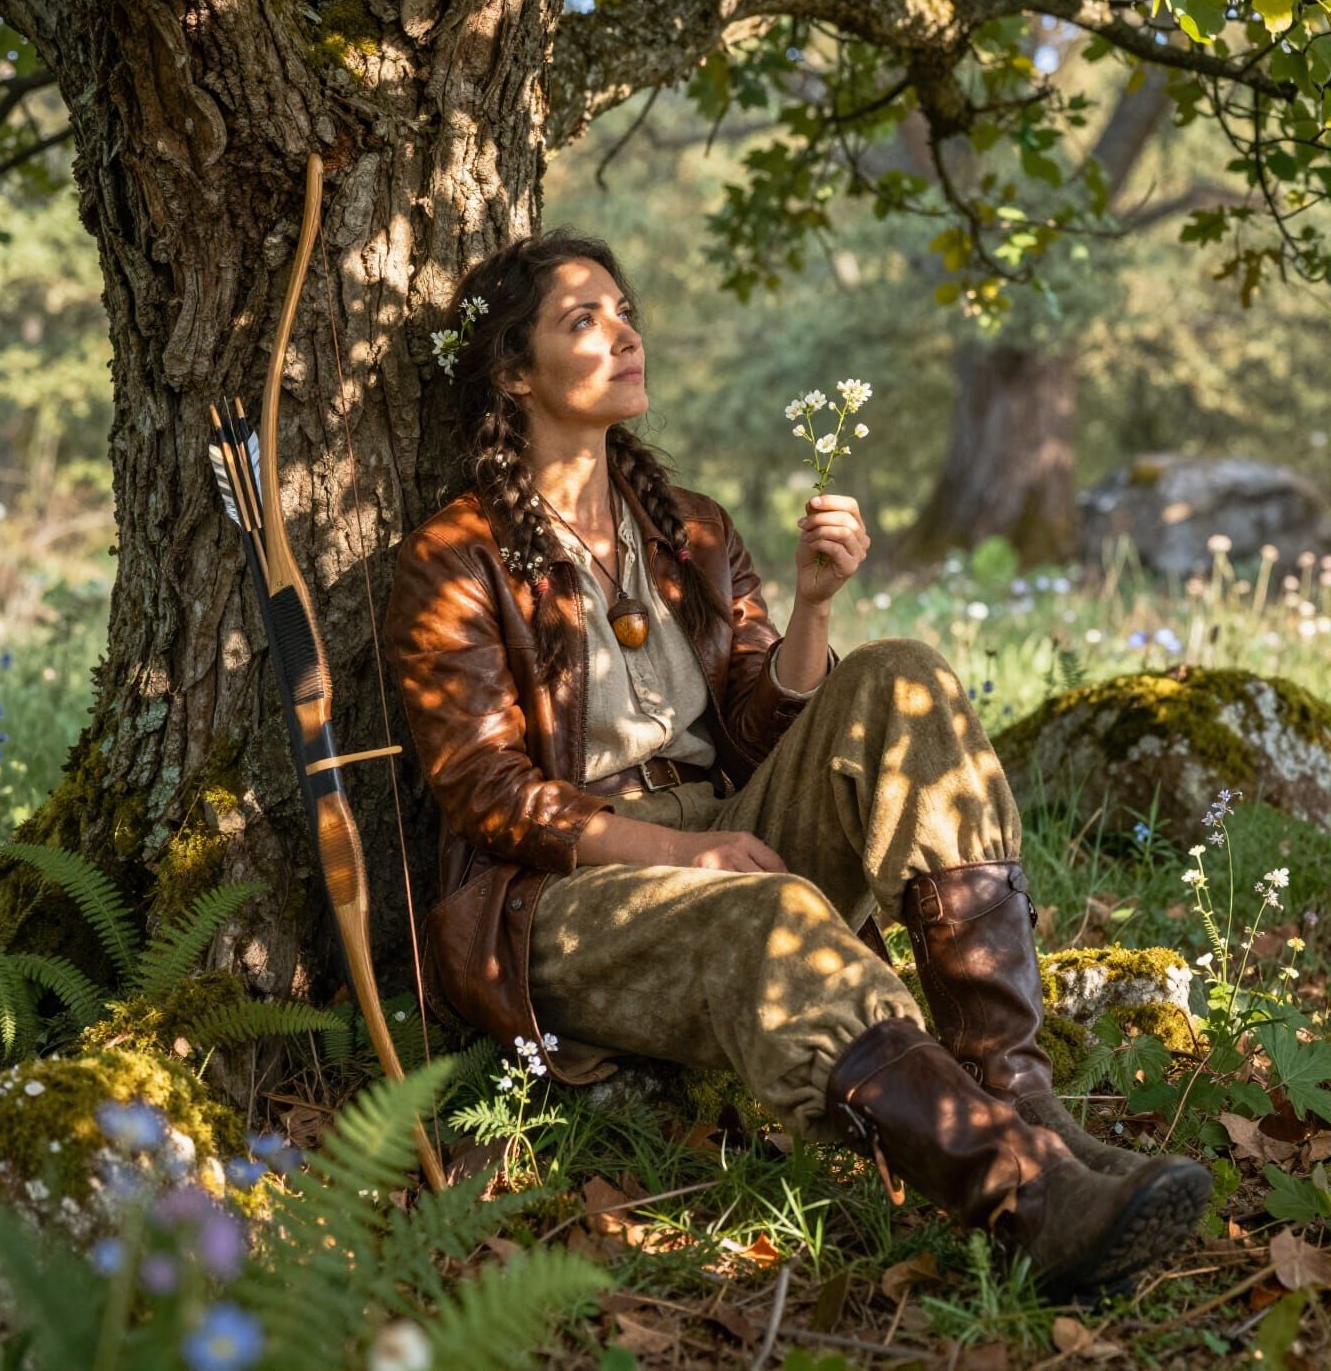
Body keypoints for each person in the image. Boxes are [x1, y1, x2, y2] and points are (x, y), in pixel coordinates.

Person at [383, 231, 1210, 1295]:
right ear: (512, 369)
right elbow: (483, 794)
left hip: (726, 824)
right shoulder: (457, 555)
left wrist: (814, 607)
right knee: (770, 917)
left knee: (901, 671)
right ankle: (1029, 1199)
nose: (624, 332)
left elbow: (750, 730)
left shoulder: (688, 530)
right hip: (563, 894)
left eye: (626, 310)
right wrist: (693, 859)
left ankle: (1022, 1095)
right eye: (582, 320)